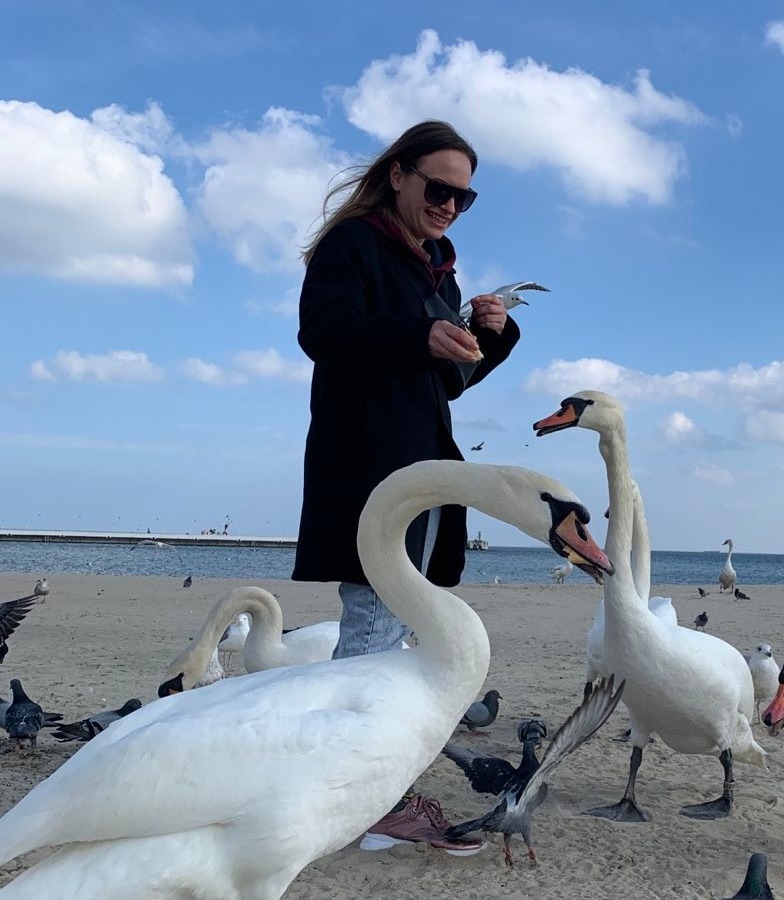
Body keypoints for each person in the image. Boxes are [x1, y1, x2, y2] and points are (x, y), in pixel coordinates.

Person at [292, 120, 520, 854]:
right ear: (398, 174)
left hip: (421, 471)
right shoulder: (354, 243)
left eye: (464, 197)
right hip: (370, 468)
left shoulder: (436, 270)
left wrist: (489, 335)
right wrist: (417, 336)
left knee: (392, 632)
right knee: (372, 629)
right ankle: (354, 801)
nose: (450, 206)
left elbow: (447, 381)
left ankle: (360, 790)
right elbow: (322, 333)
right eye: (439, 188)